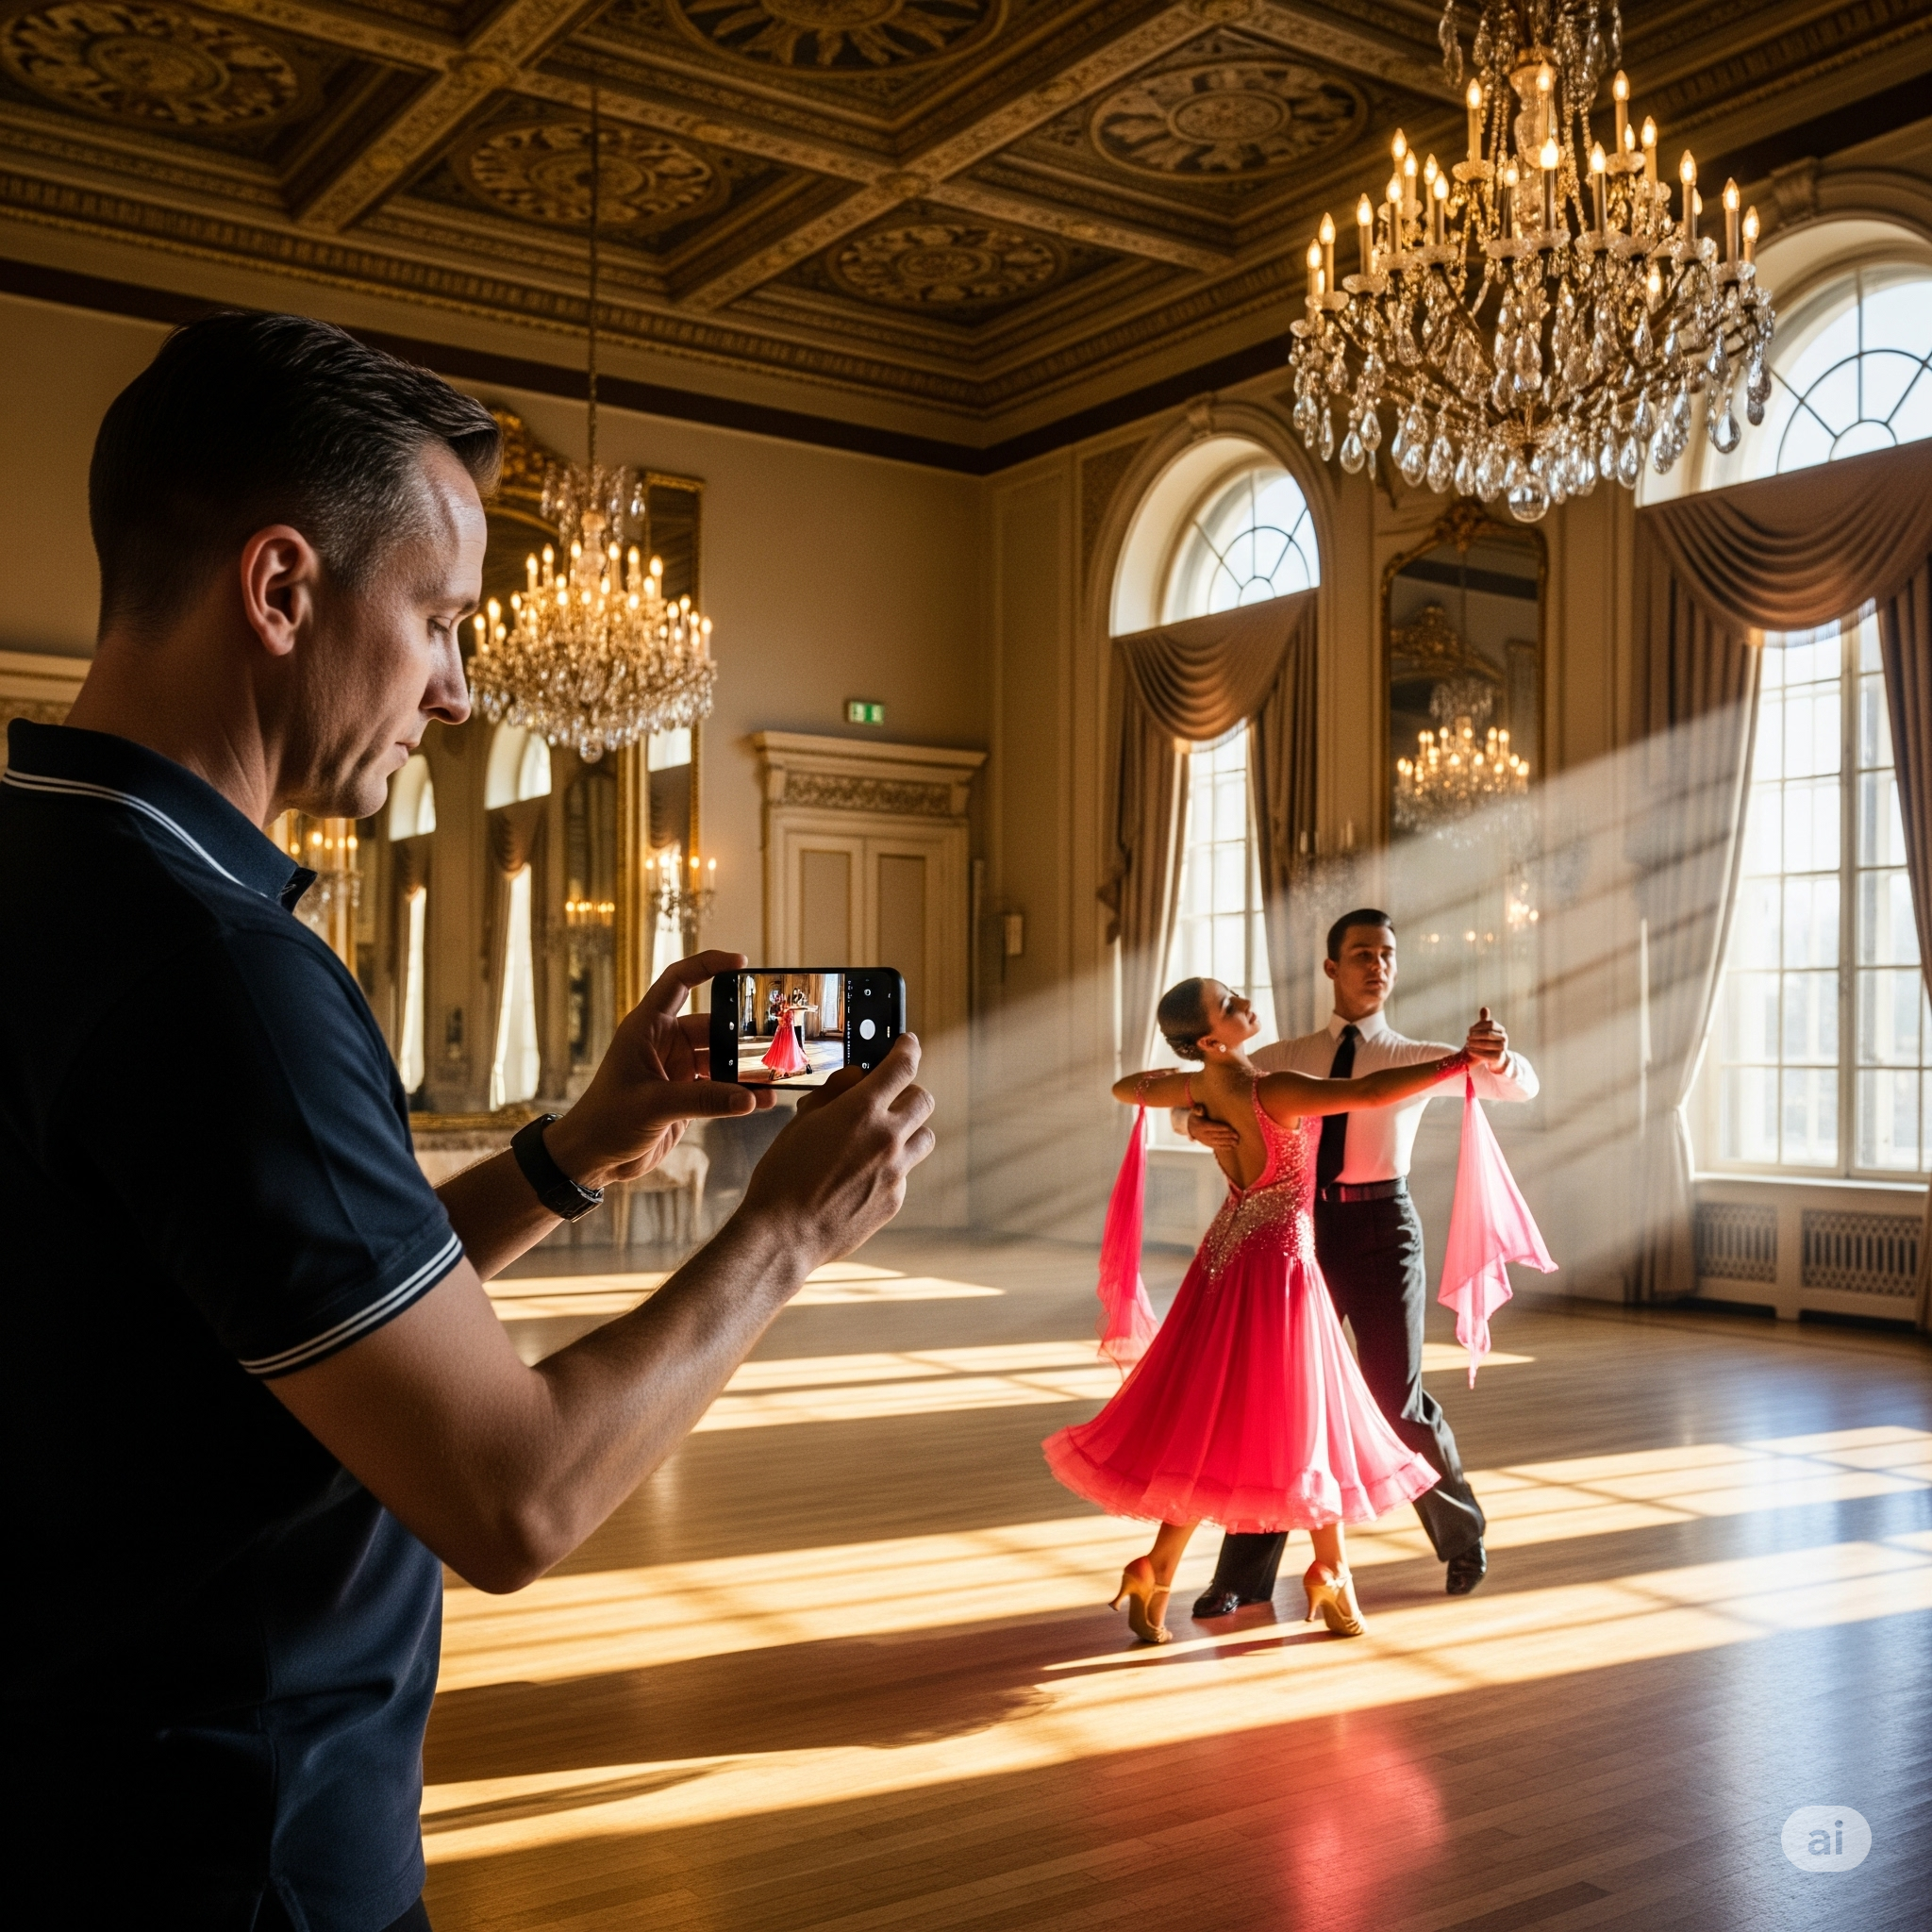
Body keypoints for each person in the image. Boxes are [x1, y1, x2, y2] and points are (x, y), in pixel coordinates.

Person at [0, 312, 934, 1930]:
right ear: (282, 588)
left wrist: (574, 1145)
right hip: (238, 1841)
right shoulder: (224, 974)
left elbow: (266, 1297)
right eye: (438, 619)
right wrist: (783, 1229)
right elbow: (512, 1494)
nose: (453, 687)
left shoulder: (51, 868)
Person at [1042, 976, 1488, 1645]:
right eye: (1230, 1003)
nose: (1246, 1002)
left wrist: (1193, 1110)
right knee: (1307, 1416)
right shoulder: (1273, 1089)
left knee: (1215, 1417)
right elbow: (1367, 1094)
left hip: (1224, 1261)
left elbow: (1125, 1088)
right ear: (1215, 1037)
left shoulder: (1204, 1086)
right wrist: (1460, 1060)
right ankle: (1329, 1572)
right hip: (1283, 1269)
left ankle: (1157, 1567)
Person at [1184, 910, 1539, 1616]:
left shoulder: (1411, 1056)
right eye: (1361, 955)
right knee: (1282, 1402)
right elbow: (1203, 1093)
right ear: (1331, 969)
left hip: (1384, 1230)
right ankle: (1243, 1578)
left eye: (1387, 955)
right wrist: (1195, 1123)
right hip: (1300, 1231)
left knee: (1395, 1397)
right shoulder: (1284, 1053)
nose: (1377, 966)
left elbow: (1516, 1086)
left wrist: (1496, 1055)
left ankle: (1462, 1537)